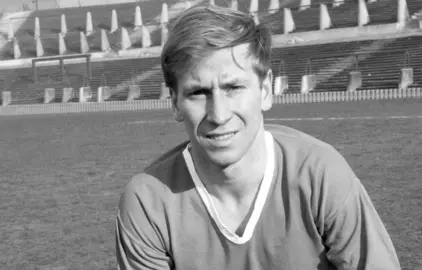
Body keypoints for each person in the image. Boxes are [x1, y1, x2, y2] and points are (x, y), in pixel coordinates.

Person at [115, 5, 401, 270]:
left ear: (265, 90)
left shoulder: (319, 175)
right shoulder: (148, 201)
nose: (219, 114)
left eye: (234, 87)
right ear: (175, 103)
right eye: (198, 93)